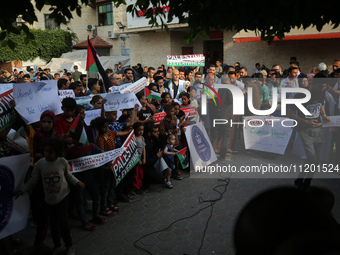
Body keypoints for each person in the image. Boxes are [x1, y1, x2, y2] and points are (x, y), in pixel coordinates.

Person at [13, 138, 85, 255]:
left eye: (50, 151)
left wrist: (77, 182)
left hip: (63, 196)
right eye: (45, 151)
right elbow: (33, 180)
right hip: (49, 199)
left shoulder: (62, 162)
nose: (47, 154)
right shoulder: (40, 164)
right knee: (53, 224)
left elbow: (69, 175)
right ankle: (57, 245)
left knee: (64, 222)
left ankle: (69, 245)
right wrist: (22, 190)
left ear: (56, 151)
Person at [288, 73, 332, 189]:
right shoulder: (301, 95)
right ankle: (299, 180)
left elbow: (320, 105)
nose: (322, 89)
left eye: (324, 87)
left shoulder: (322, 92)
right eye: (320, 87)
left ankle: (307, 182)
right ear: (312, 83)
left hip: (318, 129)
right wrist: (305, 121)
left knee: (317, 160)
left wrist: (324, 115)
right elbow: (290, 113)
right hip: (304, 129)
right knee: (312, 158)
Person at [131, 122, 147, 194]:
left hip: (140, 159)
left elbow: (143, 148)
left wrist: (144, 158)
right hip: (135, 160)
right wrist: (138, 159)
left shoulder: (142, 138)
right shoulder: (133, 138)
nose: (141, 132)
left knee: (140, 173)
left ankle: (140, 186)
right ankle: (136, 187)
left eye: (142, 130)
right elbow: (133, 150)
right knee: (136, 174)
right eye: (139, 130)